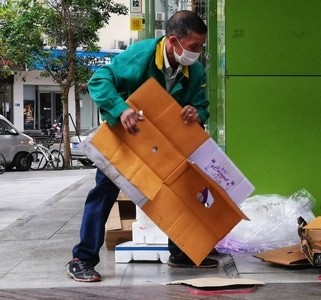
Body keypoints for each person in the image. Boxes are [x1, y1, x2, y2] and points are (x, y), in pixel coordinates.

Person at [67, 10, 218, 283]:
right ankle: (83, 258)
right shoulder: (141, 56)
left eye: (200, 47)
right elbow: (99, 80)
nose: (197, 53)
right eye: (194, 46)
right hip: (125, 137)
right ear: (173, 41)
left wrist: (196, 113)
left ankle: (180, 253)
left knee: (178, 192)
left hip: (162, 145)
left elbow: (203, 107)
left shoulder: (194, 71)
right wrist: (120, 108)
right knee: (104, 192)